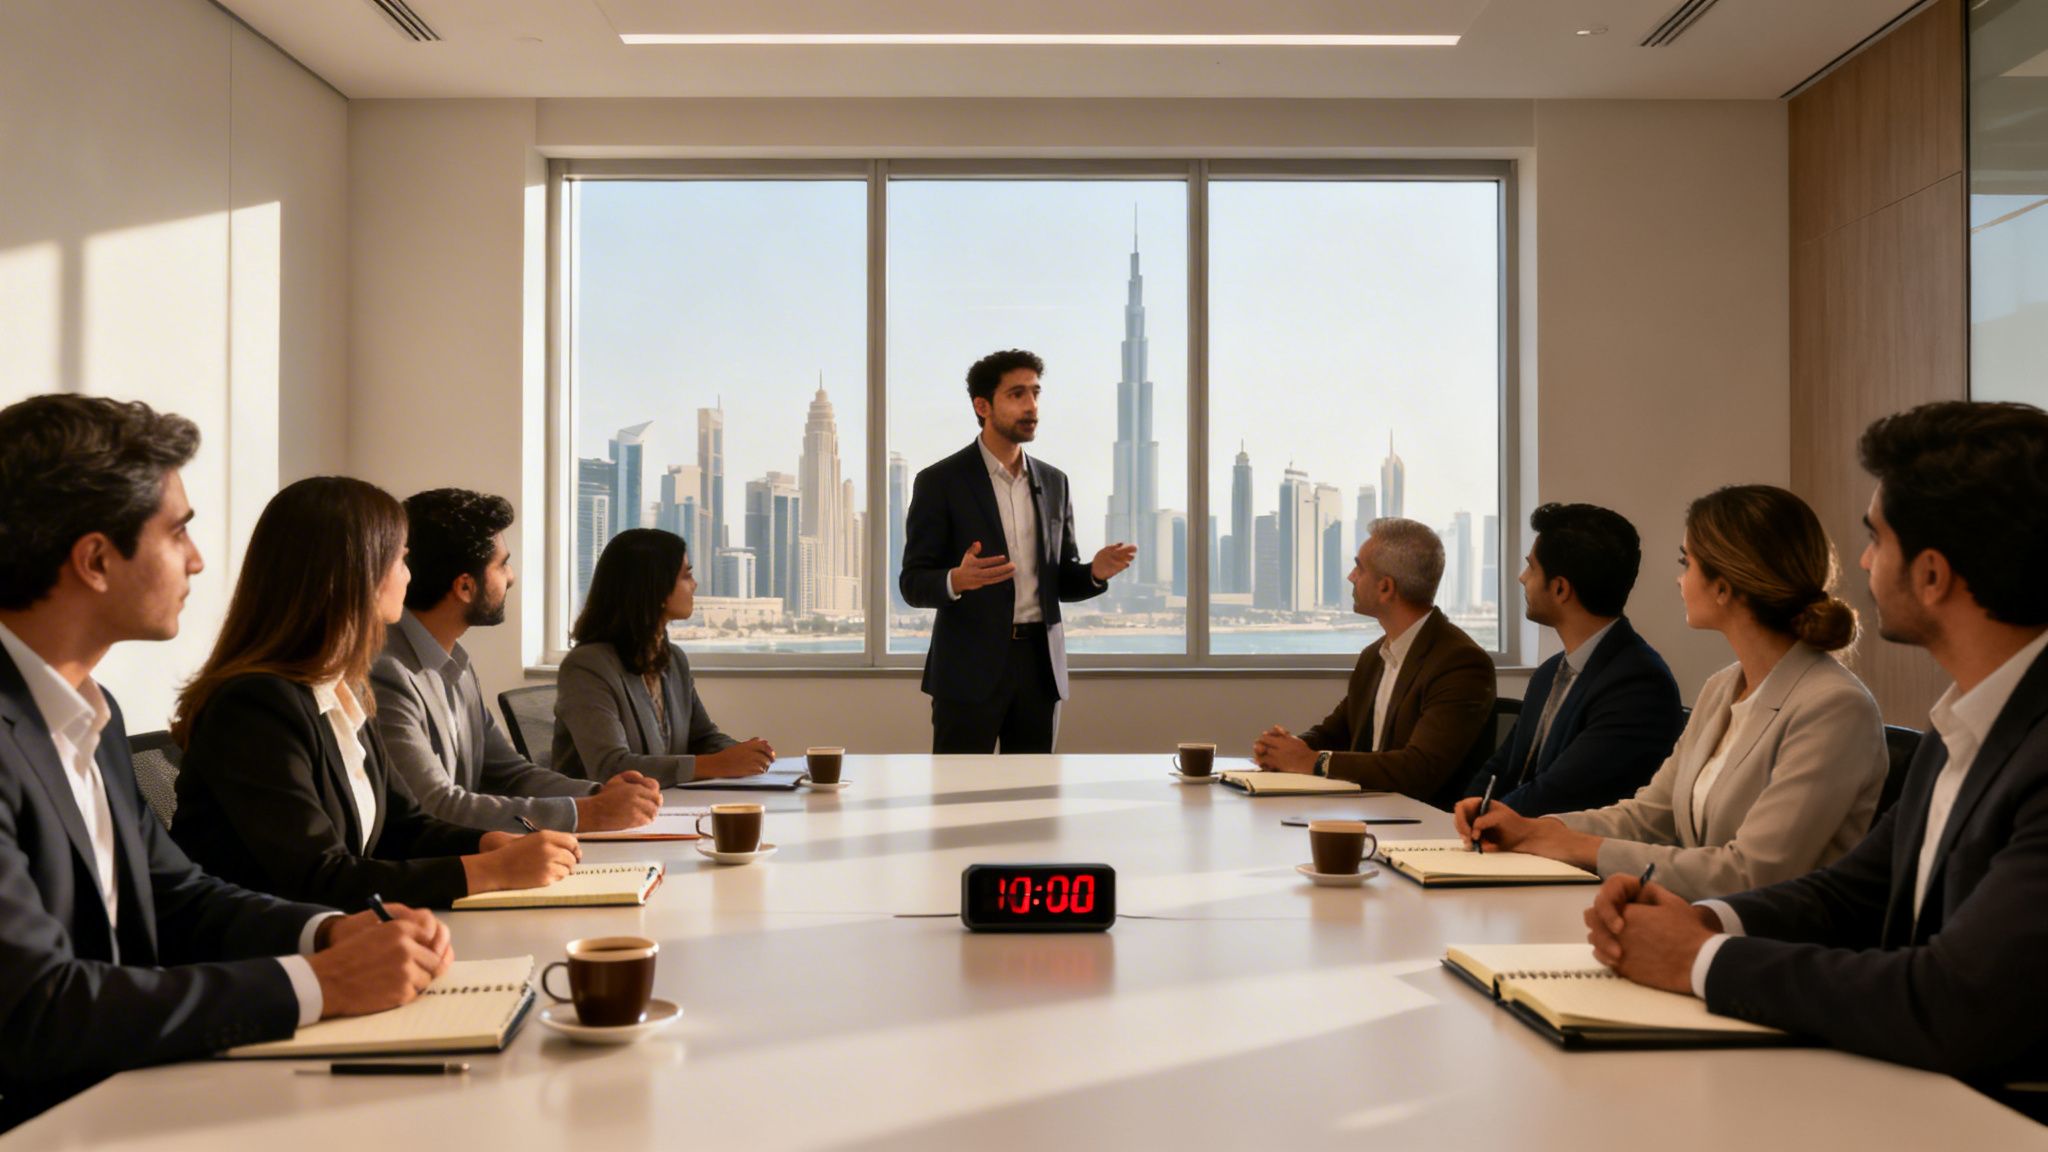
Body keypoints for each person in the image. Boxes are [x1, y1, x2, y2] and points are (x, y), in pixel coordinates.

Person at [0, 396, 451, 1130]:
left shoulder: (90, 713)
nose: (200, 559)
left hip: (128, 1093)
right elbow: (36, 1011)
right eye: (178, 532)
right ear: (95, 559)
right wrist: (315, 984)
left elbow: (179, 896)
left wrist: (329, 934)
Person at [1584, 402, 2048, 1102]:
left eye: (1876, 538)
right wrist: (1705, 919)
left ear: (1931, 575)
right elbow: (1853, 891)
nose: (1861, 561)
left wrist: (1703, 960)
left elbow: (1955, 1000)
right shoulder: (1966, 722)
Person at [170, 477, 581, 910]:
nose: (409, 574)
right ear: (357, 572)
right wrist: (489, 871)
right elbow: (318, 877)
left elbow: (404, 826)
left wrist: (489, 843)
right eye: (401, 559)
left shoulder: (342, 689)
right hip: (270, 963)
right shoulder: (255, 706)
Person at [1459, 485, 1886, 900]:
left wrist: (1576, 847)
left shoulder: (1834, 706)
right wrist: (1535, 830)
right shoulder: (1722, 688)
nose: (1679, 580)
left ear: (1723, 587)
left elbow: (1752, 872)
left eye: (1687, 563)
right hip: (1694, 925)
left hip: (1771, 954)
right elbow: (1651, 814)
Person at [371, 489, 660, 833]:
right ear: (465, 587)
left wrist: (599, 794)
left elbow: (508, 774)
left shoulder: (455, 664)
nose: (512, 577)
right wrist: (589, 813)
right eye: (503, 564)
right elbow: (436, 805)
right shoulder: (386, 672)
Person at [899, 349, 1137, 754]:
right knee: (959, 800)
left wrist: (1094, 573)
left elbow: (1061, 580)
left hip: (1040, 669)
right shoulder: (940, 481)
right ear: (982, 405)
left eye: (1036, 393)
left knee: (1033, 801)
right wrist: (956, 579)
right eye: (1017, 394)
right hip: (968, 670)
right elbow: (912, 583)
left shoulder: (1054, 482)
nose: (1031, 406)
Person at [1459, 503, 1684, 817]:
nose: (1523, 578)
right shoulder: (1551, 672)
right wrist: (1463, 813)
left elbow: (1561, 793)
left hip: (1569, 856)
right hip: (1515, 843)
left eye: (1532, 568)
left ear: (1560, 588)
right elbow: (1501, 766)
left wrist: (1486, 819)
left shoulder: (1639, 683)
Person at [1253, 518, 1495, 806]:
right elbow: (1337, 732)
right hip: (1368, 812)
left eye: (1359, 568)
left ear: (1385, 588)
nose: (1351, 577)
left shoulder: (1461, 663)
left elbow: (1419, 770)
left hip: (1419, 827)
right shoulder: (1375, 656)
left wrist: (1311, 762)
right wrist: (1285, 750)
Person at [553, 528, 772, 784]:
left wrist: (745, 753)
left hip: (664, 807)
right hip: (602, 815)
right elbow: (611, 767)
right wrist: (717, 764)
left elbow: (701, 737)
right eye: (686, 575)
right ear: (655, 587)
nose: (694, 584)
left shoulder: (672, 659)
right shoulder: (587, 666)